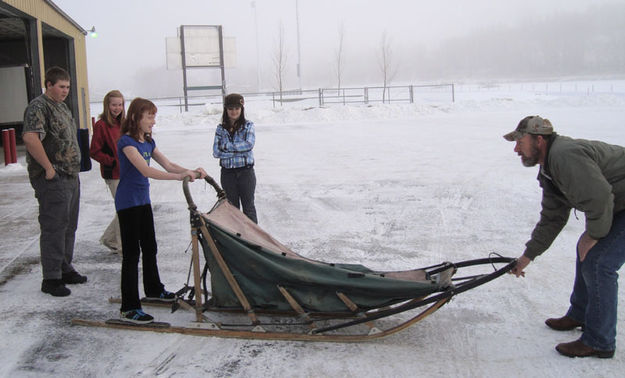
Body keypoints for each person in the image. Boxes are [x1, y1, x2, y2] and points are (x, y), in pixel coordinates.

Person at [505, 115, 625, 359]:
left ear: (539, 140)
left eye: (520, 140)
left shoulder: (564, 156)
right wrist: (527, 256)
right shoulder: (549, 170)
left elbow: (600, 197)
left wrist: (593, 235)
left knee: (599, 263)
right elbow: (552, 218)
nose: (516, 148)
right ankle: (580, 313)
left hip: (616, 204)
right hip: (616, 204)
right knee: (588, 254)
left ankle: (599, 341)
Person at [116, 97, 207, 323]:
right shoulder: (127, 143)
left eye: (154, 117)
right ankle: (129, 307)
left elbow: (168, 165)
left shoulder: (148, 141)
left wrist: (190, 171)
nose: (153, 122)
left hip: (142, 201)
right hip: (127, 203)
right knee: (131, 254)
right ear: (137, 117)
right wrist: (179, 177)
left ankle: (154, 289)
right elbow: (146, 171)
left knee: (150, 246)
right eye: (150, 117)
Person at [22, 66, 87, 297]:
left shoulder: (62, 107)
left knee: (69, 225)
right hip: (53, 178)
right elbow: (30, 138)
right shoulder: (39, 107)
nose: (65, 91)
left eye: (68, 87)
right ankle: (51, 278)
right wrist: (48, 169)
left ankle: (64, 267)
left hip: (70, 175)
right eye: (61, 86)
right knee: (54, 227)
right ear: (48, 85)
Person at [212, 93, 258, 223]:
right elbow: (216, 152)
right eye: (231, 108)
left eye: (237, 108)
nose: (234, 111)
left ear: (241, 109)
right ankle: (236, 238)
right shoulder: (220, 129)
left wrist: (226, 146)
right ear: (226, 110)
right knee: (232, 209)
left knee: (248, 208)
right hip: (228, 174)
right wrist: (238, 151)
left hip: (246, 172)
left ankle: (253, 240)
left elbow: (249, 145)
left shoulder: (248, 126)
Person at [89, 90, 125, 253]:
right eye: (114, 105)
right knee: (124, 209)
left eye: (120, 104)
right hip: (113, 174)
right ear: (107, 105)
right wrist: (112, 161)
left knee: (127, 207)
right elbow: (94, 151)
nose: (117, 108)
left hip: (127, 173)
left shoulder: (124, 124)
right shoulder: (101, 125)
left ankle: (109, 238)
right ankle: (121, 244)